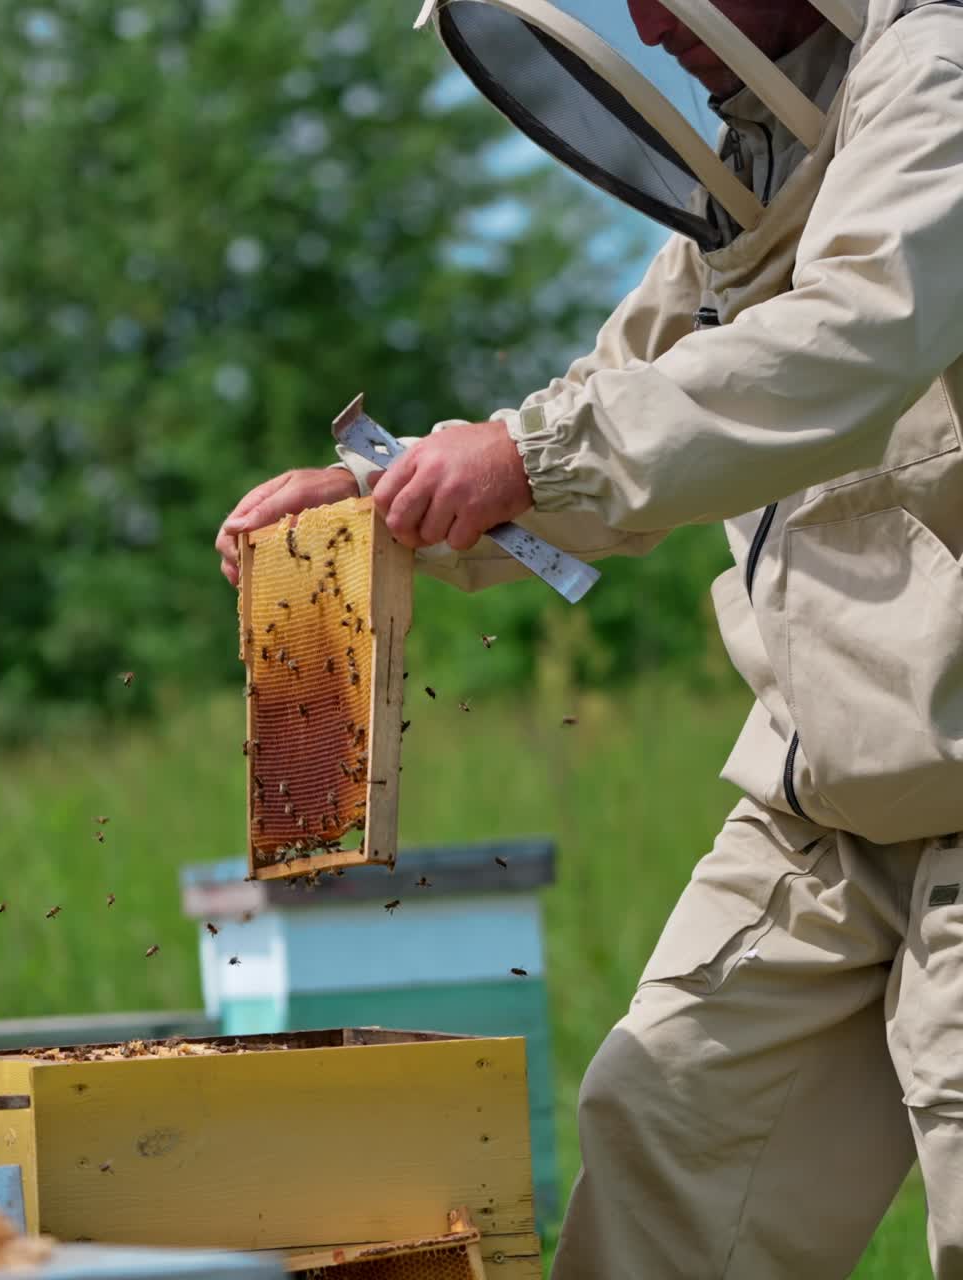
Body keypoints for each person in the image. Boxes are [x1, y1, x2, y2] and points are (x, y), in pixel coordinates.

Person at [216, 1, 963, 1274]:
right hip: (824, 804)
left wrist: (528, 456)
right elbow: (606, 405)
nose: (649, 28)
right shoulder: (755, 166)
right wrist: (383, 502)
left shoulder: (935, 77)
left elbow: (855, 338)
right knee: (664, 1120)